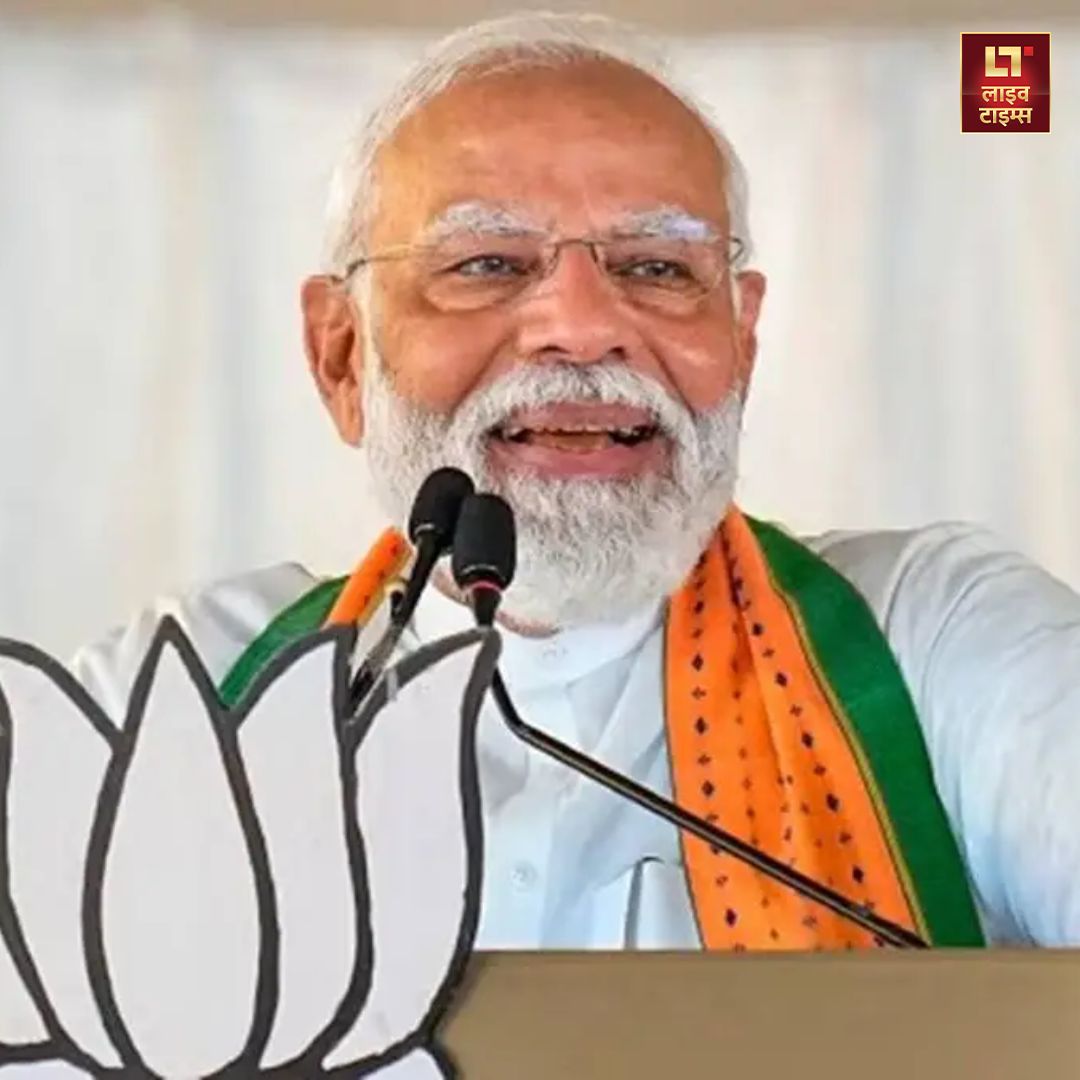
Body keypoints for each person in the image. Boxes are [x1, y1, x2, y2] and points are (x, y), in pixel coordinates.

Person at [73, 12, 1080, 949]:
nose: (585, 327)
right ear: (340, 357)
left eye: (657, 267)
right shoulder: (177, 699)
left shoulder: (936, 645)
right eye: (487, 264)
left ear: (743, 343)